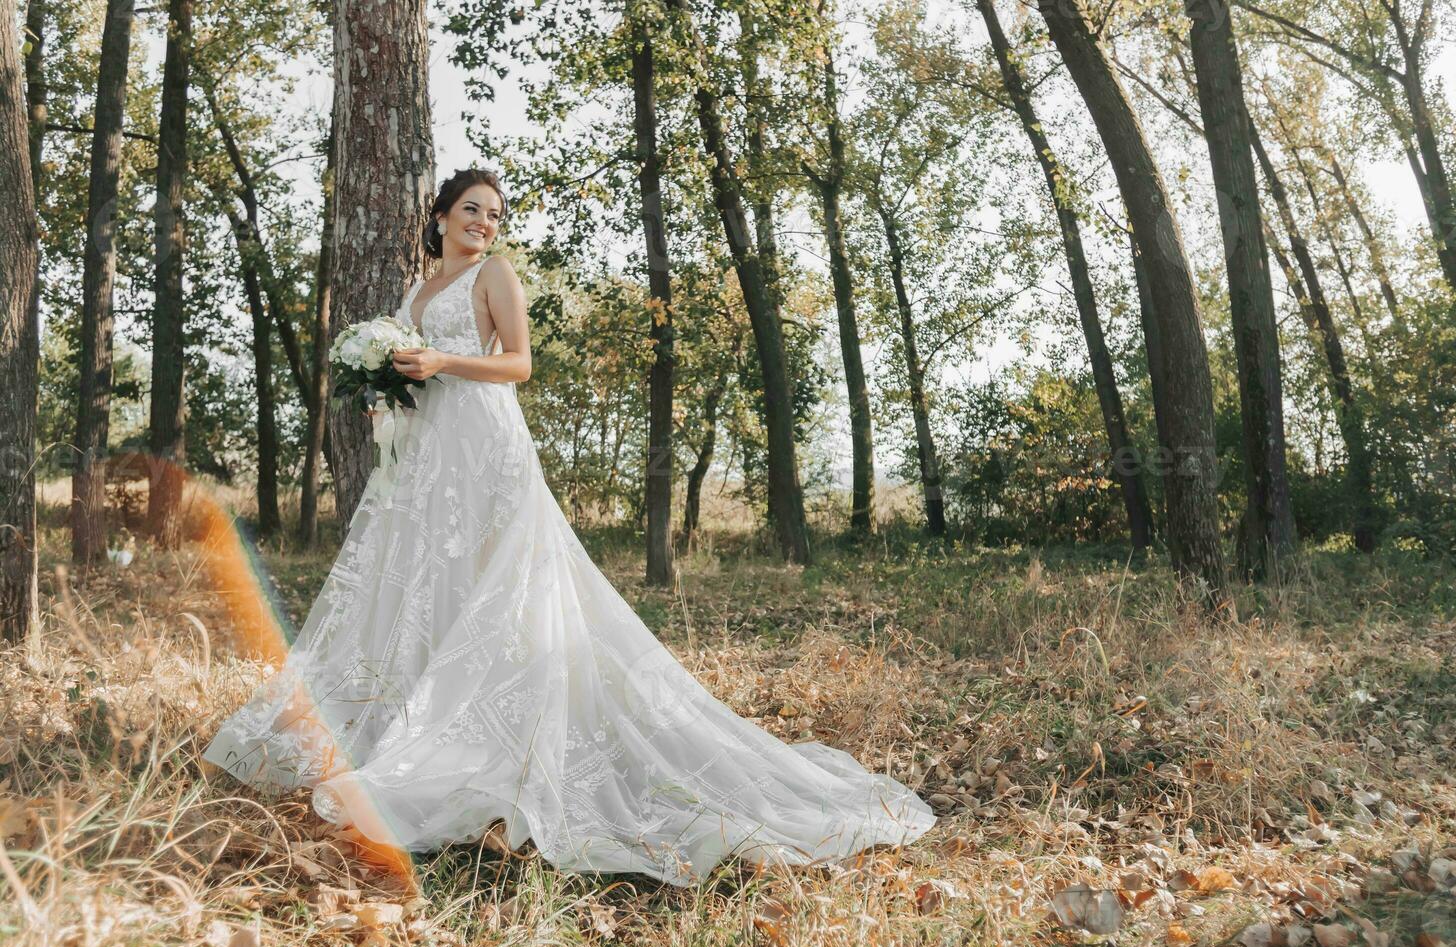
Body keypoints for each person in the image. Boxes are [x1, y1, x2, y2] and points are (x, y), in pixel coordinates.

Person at [203, 167, 935, 887]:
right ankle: (419, 725)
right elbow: (413, 370)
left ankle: (500, 737)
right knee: (432, 582)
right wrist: (388, 391)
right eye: (471, 209)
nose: (483, 222)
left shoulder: (495, 277)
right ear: (441, 214)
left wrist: (443, 360)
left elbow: (517, 364)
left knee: (503, 585)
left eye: (493, 214)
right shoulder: (417, 288)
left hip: (486, 446)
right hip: (429, 453)